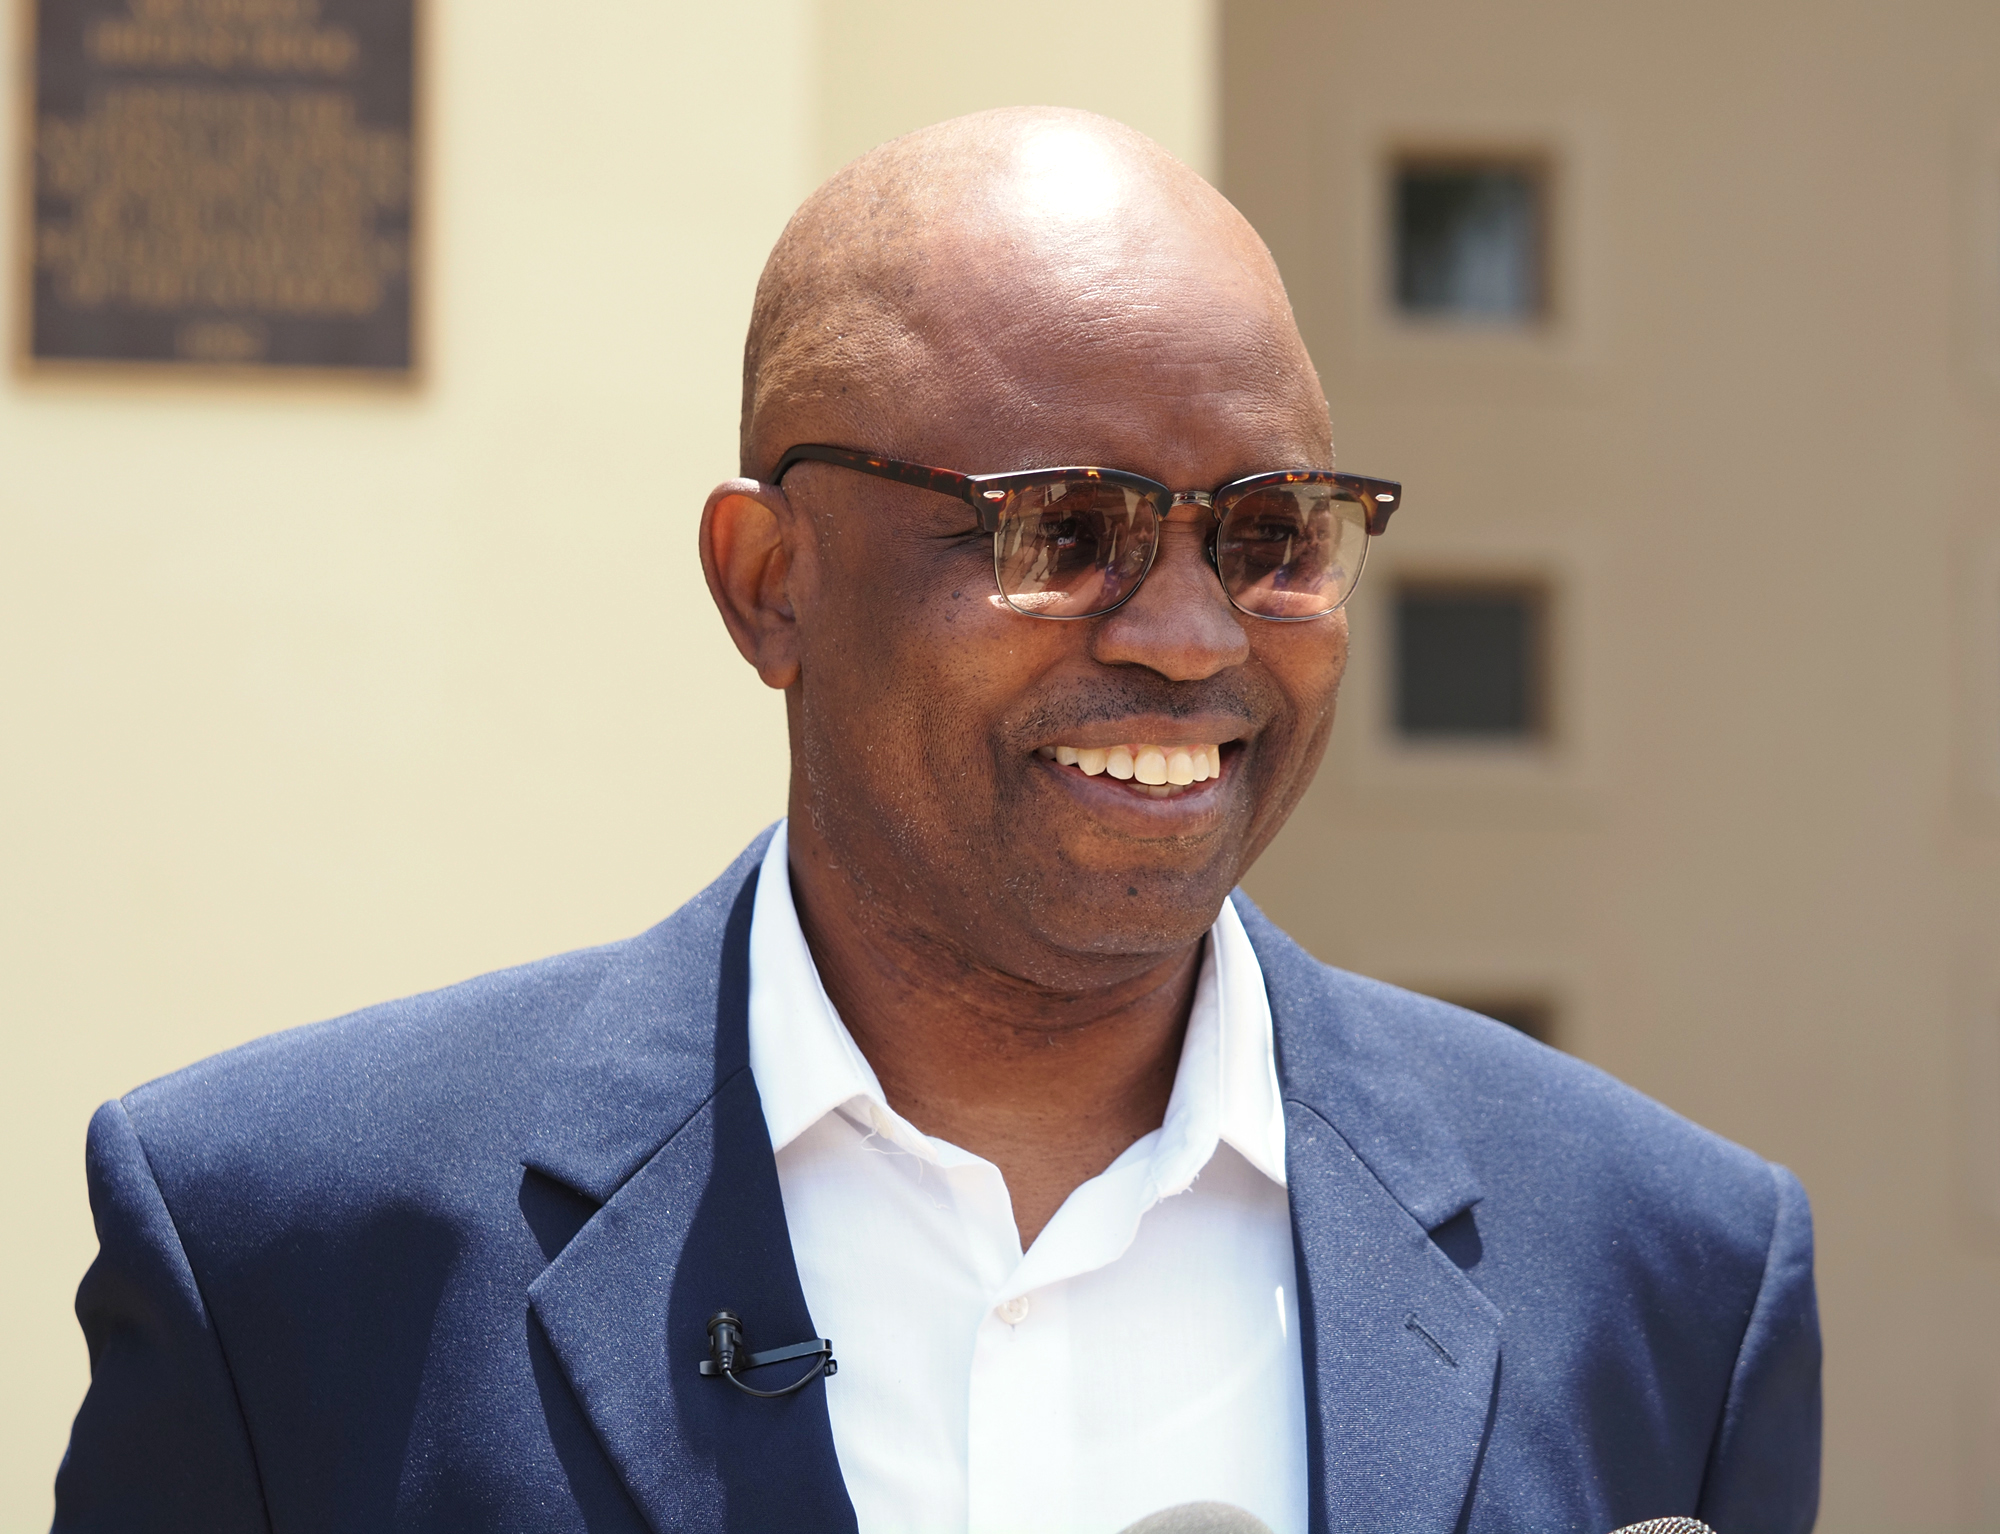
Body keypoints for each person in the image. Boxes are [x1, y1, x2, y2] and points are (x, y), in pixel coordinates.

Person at [52, 108, 1820, 1534]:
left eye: (1274, 534)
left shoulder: (1667, 1277)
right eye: (1062, 529)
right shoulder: (286, 1261)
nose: (1193, 635)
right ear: (769, 585)